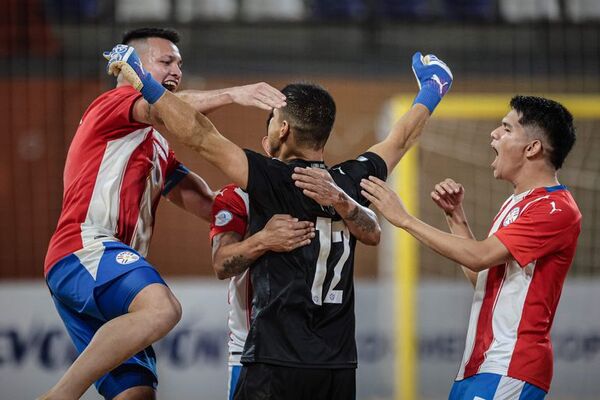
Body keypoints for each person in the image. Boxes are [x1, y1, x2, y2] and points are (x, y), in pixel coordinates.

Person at [105, 43, 452, 399]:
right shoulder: (352, 180)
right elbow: (402, 137)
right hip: (338, 365)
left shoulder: (271, 180)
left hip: (277, 359)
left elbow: (198, 134)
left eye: (271, 120)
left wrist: (145, 81)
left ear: (283, 129)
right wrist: (432, 88)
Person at [41, 27, 287, 400]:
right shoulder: (113, 103)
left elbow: (206, 201)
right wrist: (234, 94)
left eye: (180, 64)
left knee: (137, 394)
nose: (176, 70)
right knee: (162, 309)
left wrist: (270, 204)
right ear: (132, 66)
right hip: (85, 248)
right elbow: (166, 110)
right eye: (166, 61)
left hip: (109, 272)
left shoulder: (154, 145)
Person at [360, 95, 581, 399]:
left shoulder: (556, 209)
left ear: (532, 148)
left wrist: (405, 219)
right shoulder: (516, 202)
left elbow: (480, 257)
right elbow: (484, 278)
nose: (494, 134)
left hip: (511, 366)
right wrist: (456, 220)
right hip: (479, 366)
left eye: (506, 128)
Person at [210, 142, 382, 400]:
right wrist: (263, 240)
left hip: (318, 351)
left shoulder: (328, 189)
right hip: (252, 347)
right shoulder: (238, 195)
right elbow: (221, 264)